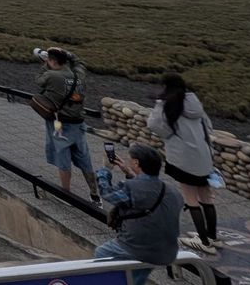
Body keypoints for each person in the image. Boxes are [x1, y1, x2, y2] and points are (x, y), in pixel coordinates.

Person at [146, 73, 220, 255]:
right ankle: (212, 236)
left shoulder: (166, 104)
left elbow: (154, 125)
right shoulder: (194, 103)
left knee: (191, 199)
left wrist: (170, 134)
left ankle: (204, 243)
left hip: (183, 157)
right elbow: (208, 126)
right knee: (206, 198)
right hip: (204, 156)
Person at [95, 143, 183, 285]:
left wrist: (105, 169)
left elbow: (107, 193)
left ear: (136, 162)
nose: (128, 161)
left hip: (137, 248)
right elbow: (146, 197)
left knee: (101, 253)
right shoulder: (173, 191)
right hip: (166, 252)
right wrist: (130, 173)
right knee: (137, 274)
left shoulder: (130, 187)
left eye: (130, 159)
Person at [36, 47, 100, 204]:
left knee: (63, 158)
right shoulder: (79, 75)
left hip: (60, 125)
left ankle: (66, 194)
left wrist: (44, 63)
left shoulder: (51, 75)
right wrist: (70, 55)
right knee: (85, 159)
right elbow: (80, 63)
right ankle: (94, 195)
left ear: (52, 61)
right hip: (78, 124)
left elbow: (39, 80)